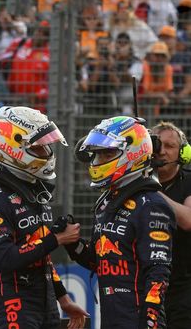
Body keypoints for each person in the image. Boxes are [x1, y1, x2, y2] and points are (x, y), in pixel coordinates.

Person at [0, 105, 88, 329]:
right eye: (39, 148)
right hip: (14, 301)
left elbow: (41, 256)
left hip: (45, 301)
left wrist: (63, 299)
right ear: (13, 147)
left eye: (46, 147)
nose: (46, 153)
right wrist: (56, 239)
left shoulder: (33, 191)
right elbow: (4, 258)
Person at [66, 116, 176, 329]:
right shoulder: (107, 202)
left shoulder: (151, 204)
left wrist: (150, 320)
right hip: (112, 317)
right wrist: (71, 243)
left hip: (139, 320)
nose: (99, 161)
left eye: (108, 154)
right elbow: (99, 263)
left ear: (132, 153)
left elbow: (158, 271)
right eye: (98, 154)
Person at [151, 120, 191, 329]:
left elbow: (188, 220)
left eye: (170, 146)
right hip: (146, 287)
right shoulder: (135, 182)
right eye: (158, 145)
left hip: (183, 288)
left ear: (183, 152)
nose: (163, 152)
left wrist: (150, 190)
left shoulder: (189, 181)